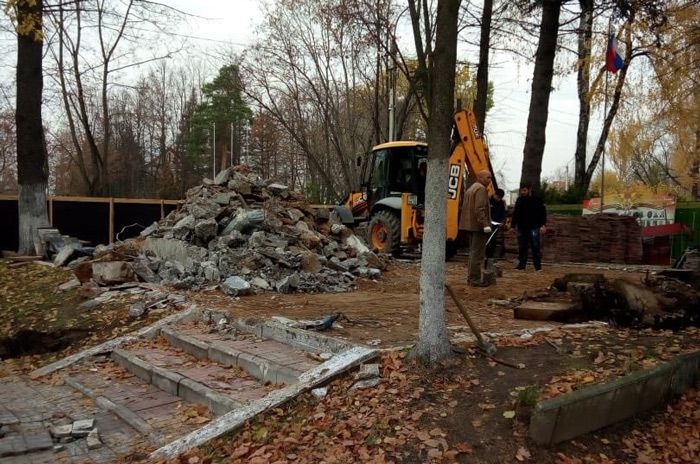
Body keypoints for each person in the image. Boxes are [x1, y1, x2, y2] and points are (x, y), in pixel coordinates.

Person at [459, 170, 493, 287]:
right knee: (478, 254)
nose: (490, 180)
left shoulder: (472, 188)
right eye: (488, 178)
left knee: (473, 253)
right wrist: (485, 224)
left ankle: (471, 278)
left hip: (470, 225)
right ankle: (475, 279)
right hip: (478, 227)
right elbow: (479, 209)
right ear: (480, 177)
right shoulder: (481, 189)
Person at [510, 183, 547, 271]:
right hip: (522, 226)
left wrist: (543, 225)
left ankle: (538, 267)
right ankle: (521, 266)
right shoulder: (519, 200)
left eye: (525, 190)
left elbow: (543, 213)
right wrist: (513, 225)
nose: (523, 192)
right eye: (521, 191)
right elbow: (516, 214)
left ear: (529, 190)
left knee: (535, 246)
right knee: (522, 246)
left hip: (534, 226)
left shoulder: (537, 200)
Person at [486, 188, 506, 259]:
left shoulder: (501, 203)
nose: (498, 199)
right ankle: (486, 255)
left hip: (496, 224)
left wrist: (502, 221)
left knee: (493, 240)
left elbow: (503, 213)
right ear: (495, 194)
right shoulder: (488, 200)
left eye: (500, 198)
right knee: (487, 239)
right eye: (498, 197)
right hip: (487, 224)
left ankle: (491, 256)